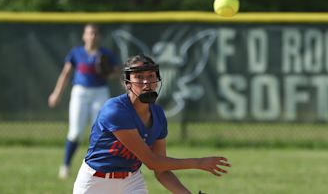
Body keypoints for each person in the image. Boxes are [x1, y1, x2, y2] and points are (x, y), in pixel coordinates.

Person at [73, 54, 231, 194]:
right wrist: (198, 162)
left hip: (131, 181)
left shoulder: (158, 115)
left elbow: (161, 171)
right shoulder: (115, 110)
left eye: (150, 75)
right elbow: (153, 162)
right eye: (139, 77)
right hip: (95, 182)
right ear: (128, 83)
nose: (146, 81)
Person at [48, 23, 120, 179]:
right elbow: (65, 74)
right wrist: (56, 93)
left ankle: (100, 168)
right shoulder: (76, 53)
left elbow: (117, 74)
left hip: (100, 92)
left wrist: (108, 72)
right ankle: (65, 165)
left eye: (95, 33)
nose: (92, 36)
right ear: (84, 36)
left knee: (101, 133)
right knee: (75, 132)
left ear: (99, 36)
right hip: (80, 92)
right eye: (89, 33)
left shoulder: (106, 54)